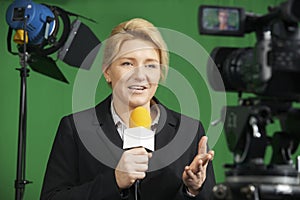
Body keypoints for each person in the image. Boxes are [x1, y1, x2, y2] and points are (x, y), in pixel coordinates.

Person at [40, 18, 215, 200]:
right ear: (107, 71)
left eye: (150, 65)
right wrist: (114, 181)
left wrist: (193, 190)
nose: (140, 75)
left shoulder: (189, 130)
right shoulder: (76, 128)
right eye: (127, 63)